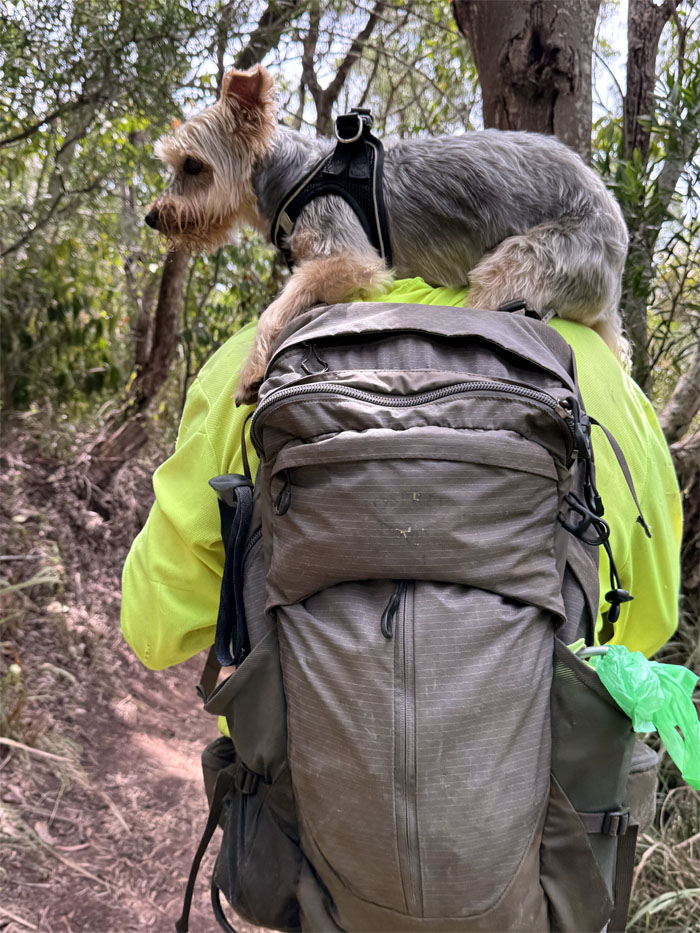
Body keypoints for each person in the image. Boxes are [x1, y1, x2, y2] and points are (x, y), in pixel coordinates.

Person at [121, 277, 682, 713]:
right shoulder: (596, 372)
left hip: (290, 819)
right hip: (543, 833)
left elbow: (153, 631)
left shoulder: (260, 354)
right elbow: (647, 627)